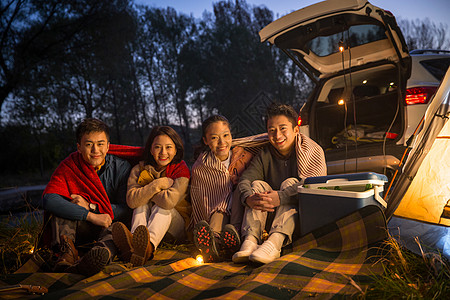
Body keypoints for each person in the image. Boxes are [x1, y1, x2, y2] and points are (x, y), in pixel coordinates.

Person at [232, 103, 327, 264]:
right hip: (268, 217)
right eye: (272, 130)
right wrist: (248, 197)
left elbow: (313, 184)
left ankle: (274, 244)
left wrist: (282, 197)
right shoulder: (265, 154)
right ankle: (250, 241)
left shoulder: (311, 150)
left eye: (283, 128)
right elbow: (245, 180)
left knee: (291, 182)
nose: (277, 135)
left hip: (297, 220)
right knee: (257, 185)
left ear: (295, 130)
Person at [42, 118, 131, 276]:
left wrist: (91, 206)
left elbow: (126, 209)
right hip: (78, 227)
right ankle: (67, 253)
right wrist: (89, 215)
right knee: (62, 207)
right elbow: (49, 199)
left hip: (108, 226)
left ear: (108, 146)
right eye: (89, 144)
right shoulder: (70, 166)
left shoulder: (122, 167)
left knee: (116, 230)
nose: (95, 150)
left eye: (100, 144)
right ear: (79, 147)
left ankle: (95, 258)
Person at [111, 126, 191, 266]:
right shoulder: (139, 169)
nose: (163, 152)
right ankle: (135, 244)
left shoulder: (181, 169)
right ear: (150, 149)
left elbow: (169, 201)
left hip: (176, 228)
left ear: (176, 149)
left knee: (161, 207)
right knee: (140, 204)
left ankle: (148, 247)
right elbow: (132, 201)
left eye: (168, 147)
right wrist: (158, 184)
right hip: (147, 224)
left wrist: (144, 191)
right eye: (158, 147)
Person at [190, 115, 253, 262]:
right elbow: (202, 199)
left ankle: (226, 240)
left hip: (240, 210)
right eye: (214, 138)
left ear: (231, 135)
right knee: (219, 210)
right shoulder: (201, 167)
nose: (222, 142)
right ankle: (214, 242)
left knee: (238, 193)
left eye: (226, 135)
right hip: (214, 216)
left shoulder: (243, 157)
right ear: (206, 141)